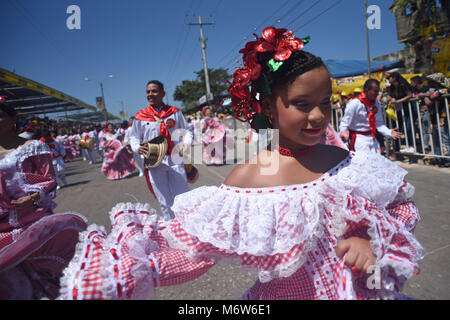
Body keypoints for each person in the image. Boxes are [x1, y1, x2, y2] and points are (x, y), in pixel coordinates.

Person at [58, 26, 423, 300]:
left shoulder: (342, 159)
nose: (318, 116)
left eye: (326, 102)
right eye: (302, 104)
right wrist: (133, 271)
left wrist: (364, 236)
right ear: (267, 108)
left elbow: (398, 207)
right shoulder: (248, 177)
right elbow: (195, 251)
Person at [0, 102, 87, 299]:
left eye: (0, 116)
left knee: (55, 273)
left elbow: (49, 181)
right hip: (2, 227)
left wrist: (31, 197)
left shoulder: (32, 147)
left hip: (33, 220)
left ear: (13, 119)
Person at [128, 80, 193, 220]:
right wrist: (137, 147)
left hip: (175, 158)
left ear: (163, 93)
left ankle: (187, 227)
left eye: (154, 91)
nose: (150, 94)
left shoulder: (174, 112)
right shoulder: (140, 117)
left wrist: (186, 144)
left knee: (182, 197)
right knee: (164, 201)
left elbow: (187, 131)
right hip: (154, 161)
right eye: (148, 92)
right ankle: (172, 228)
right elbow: (134, 137)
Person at [339, 79, 402, 153]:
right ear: (366, 90)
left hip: (372, 139)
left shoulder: (377, 103)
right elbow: (345, 122)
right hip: (358, 140)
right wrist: (343, 132)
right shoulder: (355, 103)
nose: (377, 93)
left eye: (378, 91)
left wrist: (388, 132)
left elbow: (379, 124)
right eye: (375, 91)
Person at [387, 72, 414, 153]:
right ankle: (397, 147)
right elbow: (390, 96)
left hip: (407, 108)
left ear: (394, 78)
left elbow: (410, 95)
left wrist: (398, 101)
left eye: (389, 78)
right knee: (398, 127)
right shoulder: (391, 87)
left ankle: (411, 145)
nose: (388, 80)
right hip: (398, 109)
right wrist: (390, 98)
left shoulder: (403, 84)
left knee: (409, 127)